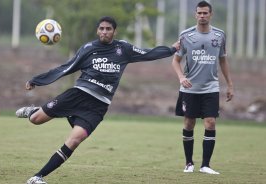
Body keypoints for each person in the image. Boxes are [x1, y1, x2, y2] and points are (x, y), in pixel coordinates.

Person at [16, 16, 179, 184]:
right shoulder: (88, 49)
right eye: (101, 29)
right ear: (97, 30)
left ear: (114, 31)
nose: (104, 32)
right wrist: (38, 80)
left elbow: (148, 53)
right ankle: (34, 111)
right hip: (77, 95)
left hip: (98, 107)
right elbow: (66, 68)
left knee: (75, 140)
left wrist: (171, 49)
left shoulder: (123, 49)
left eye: (108, 29)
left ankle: (37, 177)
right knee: (36, 120)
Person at [172, 1, 234, 175]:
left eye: (205, 13)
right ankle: (189, 163)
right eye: (199, 13)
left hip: (211, 87)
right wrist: (181, 77)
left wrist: (230, 84)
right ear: (195, 14)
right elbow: (176, 61)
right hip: (190, 89)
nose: (202, 16)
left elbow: (223, 60)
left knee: (211, 122)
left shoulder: (220, 35)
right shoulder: (186, 35)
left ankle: (205, 165)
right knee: (189, 123)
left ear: (210, 15)